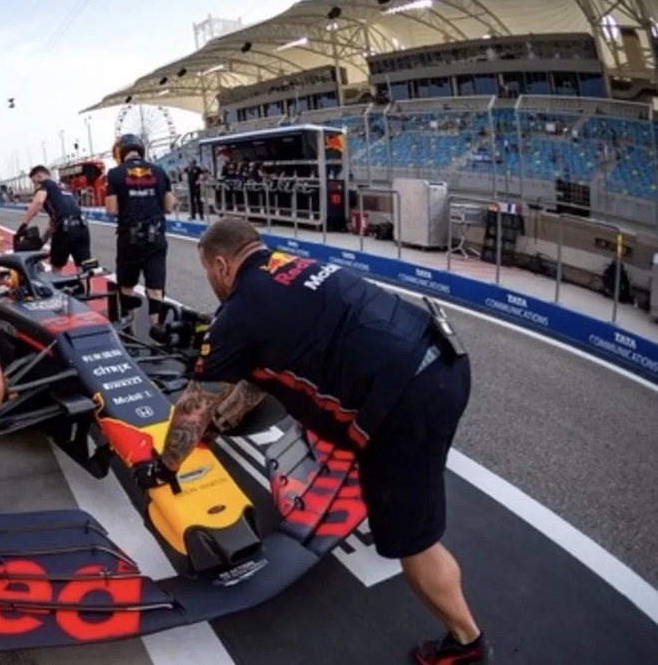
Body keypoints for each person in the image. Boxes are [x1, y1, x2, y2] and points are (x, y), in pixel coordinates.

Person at [134, 218, 488, 665]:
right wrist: (227, 419)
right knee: (331, 426)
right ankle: (401, 505)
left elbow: (193, 406)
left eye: (208, 271)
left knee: (414, 542)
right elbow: (267, 369)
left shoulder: (239, 312)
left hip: (407, 400)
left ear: (221, 265)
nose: (211, 280)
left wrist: (165, 468)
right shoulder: (291, 265)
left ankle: (466, 642)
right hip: (441, 356)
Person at [104, 133, 175, 330]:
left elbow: (111, 210)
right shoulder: (159, 171)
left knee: (126, 285)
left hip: (130, 238)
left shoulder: (115, 174)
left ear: (121, 152)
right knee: (155, 286)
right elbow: (169, 206)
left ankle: (130, 330)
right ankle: (156, 329)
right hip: (156, 236)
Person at [17, 165, 91, 271]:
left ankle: (56, 285)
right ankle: (85, 287)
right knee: (83, 267)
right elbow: (54, 221)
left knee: (57, 266)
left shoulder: (45, 185)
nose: (35, 186)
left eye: (34, 182)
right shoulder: (63, 188)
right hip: (82, 227)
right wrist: (43, 241)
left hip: (65, 230)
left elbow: (37, 203)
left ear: (39, 176)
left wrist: (23, 224)